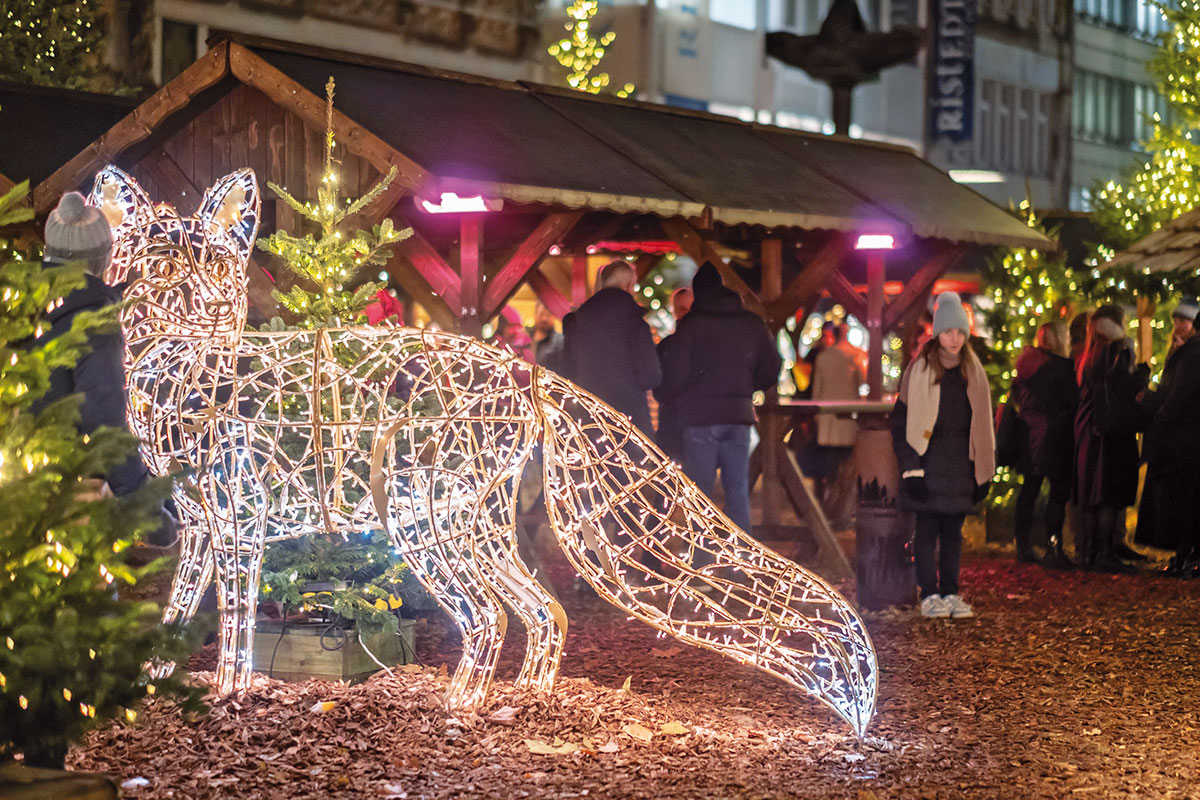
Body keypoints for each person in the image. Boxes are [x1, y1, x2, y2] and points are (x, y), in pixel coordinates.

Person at [33, 192, 174, 544]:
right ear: (104, 260)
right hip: (57, 502)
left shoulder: (14, 305)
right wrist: (150, 516)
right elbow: (105, 427)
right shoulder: (93, 324)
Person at [891, 292, 995, 619]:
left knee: (953, 533)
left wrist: (982, 469)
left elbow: (982, 423)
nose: (955, 338)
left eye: (960, 332)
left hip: (961, 464)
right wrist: (911, 468)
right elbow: (901, 421)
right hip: (927, 462)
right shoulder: (920, 370)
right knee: (926, 531)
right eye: (949, 331)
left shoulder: (972, 371)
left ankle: (950, 592)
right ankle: (929, 593)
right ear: (938, 333)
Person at [657, 262, 781, 536]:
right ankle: (742, 554)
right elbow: (772, 366)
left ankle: (703, 556)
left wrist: (683, 395)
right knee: (737, 491)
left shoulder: (691, 325)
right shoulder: (750, 323)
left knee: (700, 495)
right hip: (738, 416)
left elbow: (675, 374)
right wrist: (746, 388)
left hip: (700, 418)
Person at [1072, 304, 1149, 572]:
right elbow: (1124, 389)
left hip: (1088, 429)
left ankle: (1089, 553)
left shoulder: (1089, 353)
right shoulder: (1119, 350)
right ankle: (1105, 553)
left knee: (1091, 495)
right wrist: (1142, 374)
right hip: (1110, 433)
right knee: (1108, 495)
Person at [1135, 297, 1200, 575]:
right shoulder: (1184, 353)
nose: (1178, 326)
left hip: (1182, 440)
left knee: (1182, 500)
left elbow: (1178, 395)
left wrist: (1159, 415)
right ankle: (1185, 555)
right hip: (1185, 438)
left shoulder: (1191, 354)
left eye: (1183, 321)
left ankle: (1185, 556)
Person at [562, 260, 661, 435]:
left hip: (589, 421)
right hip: (629, 424)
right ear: (629, 286)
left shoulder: (578, 323)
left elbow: (567, 371)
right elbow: (649, 377)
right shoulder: (636, 325)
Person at [1010, 321, 1077, 566]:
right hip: (1054, 433)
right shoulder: (1058, 367)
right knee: (1058, 490)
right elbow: (1071, 401)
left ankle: (1023, 544)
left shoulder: (1027, 364)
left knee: (1030, 488)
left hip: (1029, 432)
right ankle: (1053, 544)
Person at [812, 322, 866, 529]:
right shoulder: (855, 355)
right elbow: (861, 382)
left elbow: (817, 388)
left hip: (827, 416)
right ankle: (842, 507)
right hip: (847, 415)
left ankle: (827, 504)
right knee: (847, 462)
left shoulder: (823, 357)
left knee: (829, 463)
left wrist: (816, 415)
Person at [528, 300, 564, 372]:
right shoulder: (525, 338)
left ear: (554, 317)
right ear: (535, 314)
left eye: (548, 315)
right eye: (541, 314)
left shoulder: (561, 342)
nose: (544, 318)